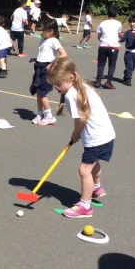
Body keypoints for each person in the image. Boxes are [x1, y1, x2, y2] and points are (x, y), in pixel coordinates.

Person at [47, 57, 115, 218]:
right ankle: (96, 188)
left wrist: (75, 134)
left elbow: (80, 121)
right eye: (54, 84)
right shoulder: (82, 87)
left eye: (58, 84)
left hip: (95, 137)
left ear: (70, 78)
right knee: (94, 163)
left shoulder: (71, 95)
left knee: (84, 170)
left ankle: (85, 206)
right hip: (107, 134)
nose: (56, 88)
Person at [29, 17, 67, 125]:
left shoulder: (54, 41)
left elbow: (64, 54)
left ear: (51, 31)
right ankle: (40, 114)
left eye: (43, 30)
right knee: (37, 91)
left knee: (42, 92)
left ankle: (49, 116)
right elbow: (43, 54)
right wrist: (36, 60)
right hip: (39, 67)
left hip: (47, 69)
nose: (40, 32)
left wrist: (52, 64)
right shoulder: (43, 40)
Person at [93, 5, 122, 90]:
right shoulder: (118, 23)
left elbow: (99, 36)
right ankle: (108, 82)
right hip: (113, 46)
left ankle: (98, 81)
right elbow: (119, 35)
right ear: (116, 14)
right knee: (112, 65)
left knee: (101, 64)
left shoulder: (102, 23)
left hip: (103, 46)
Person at [119, 15, 135, 86]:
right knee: (129, 66)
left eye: (134, 22)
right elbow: (122, 39)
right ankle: (128, 80)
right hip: (128, 52)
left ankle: (126, 73)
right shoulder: (128, 32)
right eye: (131, 22)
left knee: (133, 66)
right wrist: (119, 38)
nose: (132, 23)